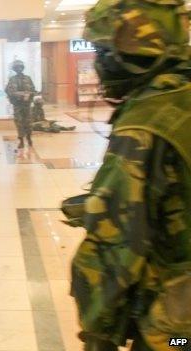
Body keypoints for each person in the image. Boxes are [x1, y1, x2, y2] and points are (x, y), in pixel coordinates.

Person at [68, 0, 191, 350]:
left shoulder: (147, 123)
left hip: (176, 328)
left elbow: (113, 250)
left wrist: (97, 332)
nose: (99, 62)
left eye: (103, 50)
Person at [5, 59, 36, 148]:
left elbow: (33, 89)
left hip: (27, 104)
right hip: (17, 105)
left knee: (29, 122)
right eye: (17, 67)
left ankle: (29, 138)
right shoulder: (12, 79)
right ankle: (21, 140)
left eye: (20, 67)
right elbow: (8, 90)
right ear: (14, 69)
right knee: (19, 122)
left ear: (22, 68)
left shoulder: (28, 78)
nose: (19, 69)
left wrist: (29, 95)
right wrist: (17, 95)